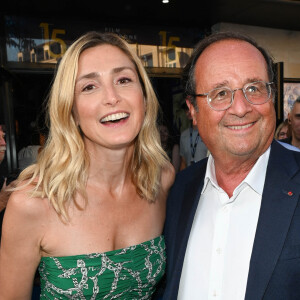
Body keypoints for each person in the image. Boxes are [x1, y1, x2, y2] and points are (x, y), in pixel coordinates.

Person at [0, 31, 175, 299]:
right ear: (71, 110)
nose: (112, 97)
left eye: (124, 80)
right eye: (89, 86)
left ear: (144, 96)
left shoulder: (161, 178)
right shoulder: (34, 202)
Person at [162, 31, 300, 300]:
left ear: (271, 96)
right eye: (221, 93)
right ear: (192, 109)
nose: (240, 107)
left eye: (254, 88)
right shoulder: (177, 191)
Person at [179, 102, 208, 170]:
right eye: (186, 109)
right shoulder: (184, 135)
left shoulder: (207, 132)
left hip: (205, 175)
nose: (189, 111)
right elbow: (183, 162)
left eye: (192, 108)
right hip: (190, 175)